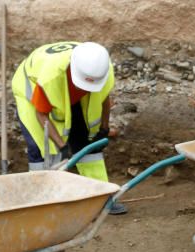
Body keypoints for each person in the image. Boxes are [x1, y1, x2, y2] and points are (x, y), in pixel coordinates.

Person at [11, 41, 126, 214]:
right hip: (32, 90)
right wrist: (61, 145)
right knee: (42, 148)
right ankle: (42, 202)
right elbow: (41, 115)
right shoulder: (50, 79)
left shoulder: (101, 69)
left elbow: (103, 99)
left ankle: (101, 197)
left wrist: (103, 129)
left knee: (87, 140)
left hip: (68, 91)